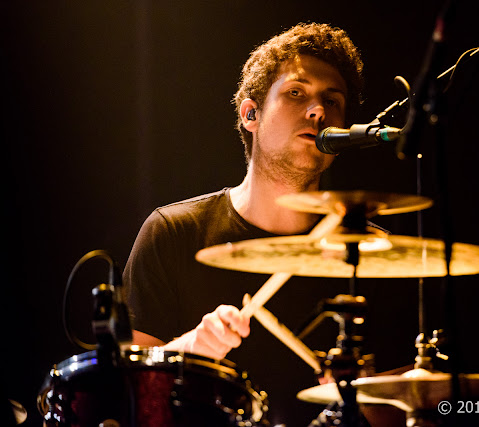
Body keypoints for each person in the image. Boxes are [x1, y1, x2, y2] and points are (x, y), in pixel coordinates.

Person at [124, 22, 365, 424]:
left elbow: (414, 395)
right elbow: (126, 394)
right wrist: (193, 347)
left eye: (332, 100)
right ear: (250, 114)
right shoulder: (173, 233)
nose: (319, 110)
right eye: (296, 93)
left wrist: (371, 394)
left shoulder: (374, 253)